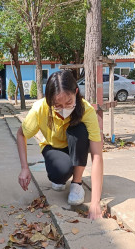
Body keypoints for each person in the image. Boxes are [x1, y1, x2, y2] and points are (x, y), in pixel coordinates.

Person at [16, 70, 103, 220]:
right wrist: (24, 168)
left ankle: (77, 183)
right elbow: (21, 134)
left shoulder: (86, 110)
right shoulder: (40, 109)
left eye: (69, 102)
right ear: (49, 101)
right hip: (53, 146)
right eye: (57, 105)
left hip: (75, 146)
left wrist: (95, 202)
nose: (63, 109)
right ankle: (60, 176)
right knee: (60, 173)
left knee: (80, 130)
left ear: (76, 92)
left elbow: (97, 155)